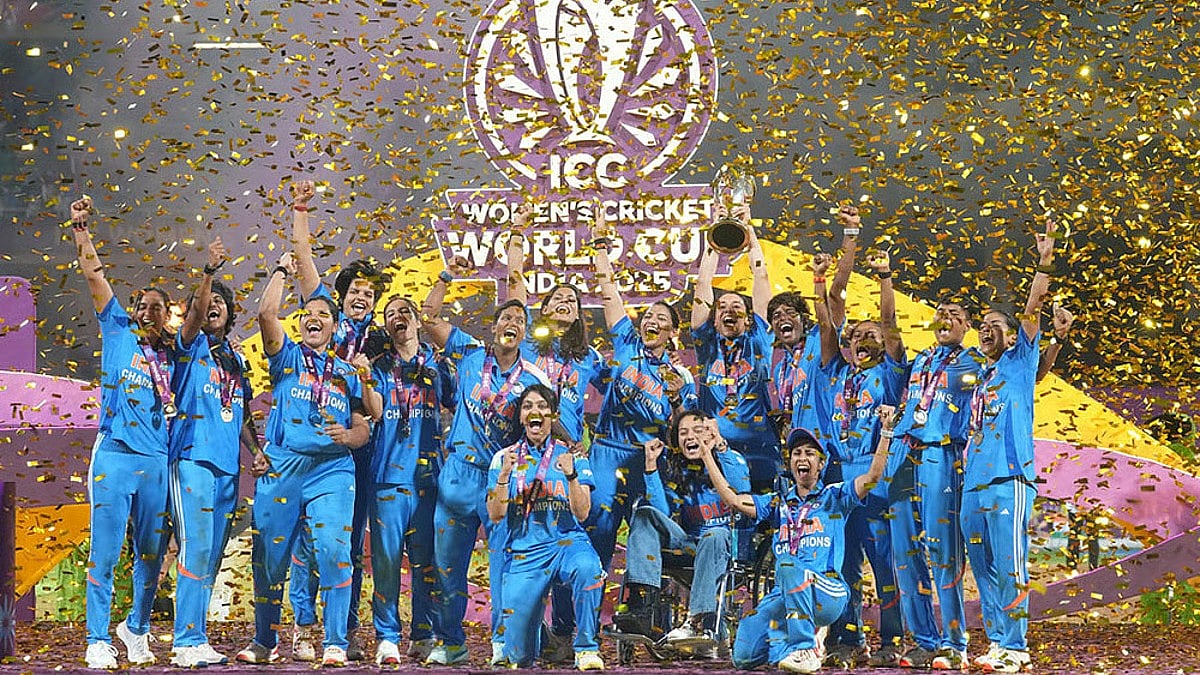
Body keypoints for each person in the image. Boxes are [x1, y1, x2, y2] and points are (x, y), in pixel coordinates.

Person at [235, 251, 372, 668]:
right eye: (307, 313)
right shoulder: (287, 358)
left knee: (334, 550)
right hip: (283, 467)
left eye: (323, 315)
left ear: (334, 327)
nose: (314, 318)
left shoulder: (346, 372)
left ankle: (334, 642)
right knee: (270, 560)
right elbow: (265, 315)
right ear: (300, 324)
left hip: (331, 469)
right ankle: (265, 640)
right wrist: (281, 271)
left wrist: (349, 435)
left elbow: (364, 426)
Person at [420, 269, 550, 667]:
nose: (512, 324)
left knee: (503, 567)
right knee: (446, 568)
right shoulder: (467, 352)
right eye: (506, 318)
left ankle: (502, 642)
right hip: (458, 473)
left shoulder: (534, 377)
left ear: (525, 335)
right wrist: (444, 278)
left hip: (501, 479)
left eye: (520, 322)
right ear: (494, 327)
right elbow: (428, 317)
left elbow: (546, 420)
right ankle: (451, 643)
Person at [703, 411, 897, 674]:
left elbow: (873, 476)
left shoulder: (835, 496)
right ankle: (794, 645)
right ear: (790, 461)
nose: (802, 458)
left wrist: (885, 432)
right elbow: (734, 500)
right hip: (787, 595)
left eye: (809, 453)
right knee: (744, 656)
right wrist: (706, 455)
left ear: (821, 464)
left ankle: (804, 647)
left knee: (787, 566)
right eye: (797, 453)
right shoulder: (776, 503)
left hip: (828, 592)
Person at [70, 196, 174, 670]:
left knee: (152, 554)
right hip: (113, 455)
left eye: (158, 308)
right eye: (144, 305)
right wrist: (81, 229)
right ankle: (96, 638)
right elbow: (94, 276)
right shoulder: (117, 328)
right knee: (106, 551)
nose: (149, 312)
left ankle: (136, 629)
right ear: (133, 309)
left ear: (167, 316)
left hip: (156, 462)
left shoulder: (175, 354)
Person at [288, 179, 390, 661]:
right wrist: (302, 208)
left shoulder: (384, 338)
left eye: (370, 293)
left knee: (347, 541)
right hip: (318, 443)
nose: (362, 298)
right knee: (312, 536)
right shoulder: (327, 320)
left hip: (365, 446)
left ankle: (341, 631)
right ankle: (304, 624)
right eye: (355, 290)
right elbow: (304, 261)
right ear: (341, 295)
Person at [506, 203, 608, 659]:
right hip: (527, 452)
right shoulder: (529, 342)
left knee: (577, 534)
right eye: (556, 300)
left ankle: (568, 631)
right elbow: (513, 289)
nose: (564, 303)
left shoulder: (589, 358)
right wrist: (515, 239)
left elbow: (625, 386)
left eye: (572, 300)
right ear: (542, 309)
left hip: (570, 456)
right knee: (527, 538)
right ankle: (529, 630)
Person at [961, 218, 1058, 673]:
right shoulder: (981, 377)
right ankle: (999, 641)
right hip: (973, 485)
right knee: (983, 571)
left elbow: (1032, 314)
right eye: (982, 325)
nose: (986, 329)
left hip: (1009, 480)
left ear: (1012, 335)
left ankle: (1016, 647)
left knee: (1011, 565)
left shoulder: (1020, 362)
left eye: (996, 325)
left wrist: (1042, 262)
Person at [167, 238, 264, 667]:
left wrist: (256, 450)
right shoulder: (189, 345)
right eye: (206, 302)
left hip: (228, 467)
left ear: (229, 312)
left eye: (221, 301)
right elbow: (192, 318)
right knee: (194, 546)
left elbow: (241, 412)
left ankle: (197, 635)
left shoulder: (235, 361)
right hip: (191, 458)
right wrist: (208, 273)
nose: (213, 306)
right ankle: (185, 639)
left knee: (212, 553)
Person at [587, 203, 696, 571]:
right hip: (607, 452)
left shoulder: (682, 377)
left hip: (649, 461)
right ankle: (575, 622)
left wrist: (677, 398)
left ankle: (636, 616)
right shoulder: (627, 346)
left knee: (646, 538)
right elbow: (608, 292)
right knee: (597, 533)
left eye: (660, 319)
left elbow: (684, 433)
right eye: (648, 316)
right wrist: (601, 244)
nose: (650, 320)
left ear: (672, 333)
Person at [814, 246, 907, 667]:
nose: (863, 341)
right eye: (857, 336)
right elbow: (827, 327)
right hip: (838, 480)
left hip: (878, 475)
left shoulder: (889, 372)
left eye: (871, 336)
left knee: (885, 566)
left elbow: (889, 324)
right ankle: (848, 639)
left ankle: (892, 639)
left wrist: (885, 278)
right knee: (843, 565)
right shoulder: (837, 373)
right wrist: (820, 283)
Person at [883, 295, 985, 670]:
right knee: (905, 556)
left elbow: (1024, 371)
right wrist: (885, 279)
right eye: (940, 313)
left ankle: (954, 643)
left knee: (943, 553)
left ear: (967, 327)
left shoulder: (976, 361)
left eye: (955, 315)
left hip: (941, 455)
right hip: (903, 454)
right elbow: (890, 330)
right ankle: (924, 640)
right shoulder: (920, 361)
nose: (945, 318)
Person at [355, 295, 450, 665]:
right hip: (388, 477)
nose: (398, 317)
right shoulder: (379, 367)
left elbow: (455, 401)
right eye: (389, 314)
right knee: (387, 562)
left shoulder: (437, 364)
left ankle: (423, 634)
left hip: (428, 478)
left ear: (414, 318)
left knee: (426, 561)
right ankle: (387, 635)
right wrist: (364, 378)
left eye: (403, 311)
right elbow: (376, 410)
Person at [485, 384, 606, 671]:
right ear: (521, 418)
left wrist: (572, 476)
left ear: (553, 415)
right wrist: (504, 475)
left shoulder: (572, 456)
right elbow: (496, 515)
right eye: (528, 406)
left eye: (541, 406)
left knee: (589, 568)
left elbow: (583, 512)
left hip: (567, 543)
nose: (534, 411)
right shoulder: (504, 458)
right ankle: (536, 637)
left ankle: (586, 648)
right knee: (518, 657)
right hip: (527, 551)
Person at [614, 410, 749, 654]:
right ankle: (641, 607)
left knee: (714, 534)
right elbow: (661, 513)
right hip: (689, 544)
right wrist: (651, 468)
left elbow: (740, 491)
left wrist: (714, 449)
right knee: (645, 514)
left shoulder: (732, 458)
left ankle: (698, 621)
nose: (689, 437)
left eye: (697, 431)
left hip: (727, 544)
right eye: (683, 432)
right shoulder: (677, 470)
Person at [691, 202, 777, 491]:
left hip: (760, 450)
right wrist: (715, 238)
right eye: (722, 306)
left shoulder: (758, 340)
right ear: (714, 319)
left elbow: (761, 278)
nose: (729, 309)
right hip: (716, 450)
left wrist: (748, 231)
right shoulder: (707, 345)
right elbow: (703, 287)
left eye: (737, 305)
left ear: (749, 317)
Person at [770, 205, 860, 441]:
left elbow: (838, 288)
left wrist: (851, 230)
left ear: (804, 318)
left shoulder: (820, 338)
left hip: (832, 446)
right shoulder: (781, 369)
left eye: (790, 312)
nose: (783, 319)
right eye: (776, 316)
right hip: (802, 453)